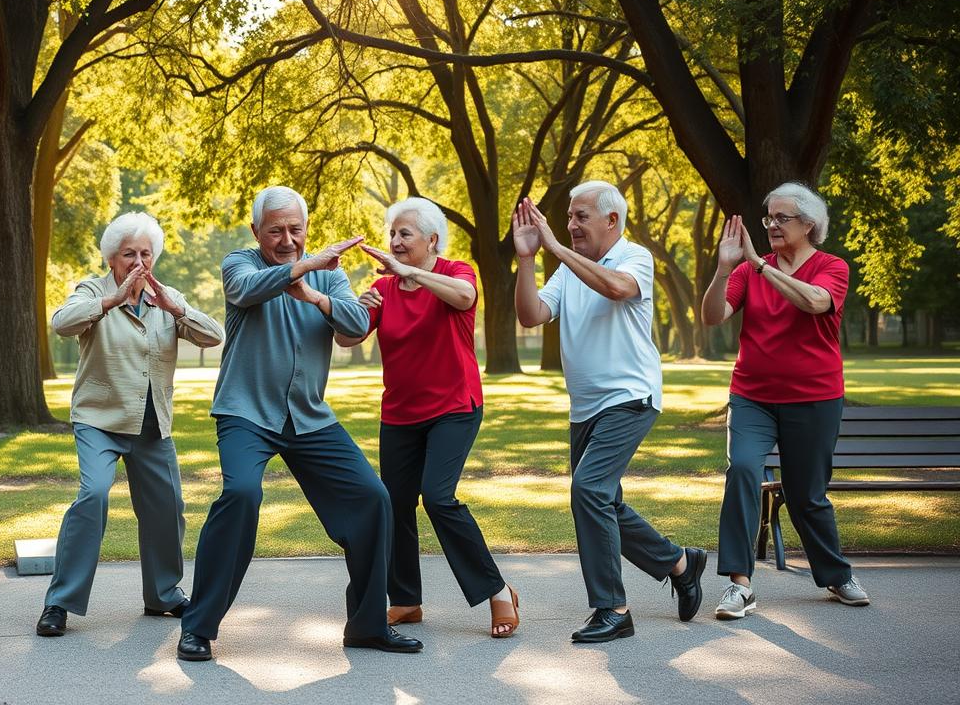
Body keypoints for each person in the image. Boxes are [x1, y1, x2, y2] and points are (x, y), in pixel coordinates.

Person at [176, 186, 422, 661]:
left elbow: (354, 325)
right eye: (276, 230)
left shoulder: (329, 276)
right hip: (246, 413)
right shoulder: (239, 263)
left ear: (306, 229)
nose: (288, 239)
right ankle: (199, 627)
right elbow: (244, 291)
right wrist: (306, 268)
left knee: (374, 499)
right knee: (242, 493)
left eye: (296, 230)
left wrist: (313, 293)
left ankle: (368, 626)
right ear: (256, 232)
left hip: (309, 417)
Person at [512, 182, 705, 643]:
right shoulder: (567, 271)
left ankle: (612, 608)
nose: (571, 225)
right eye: (569, 218)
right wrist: (525, 260)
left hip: (629, 396)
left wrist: (556, 248)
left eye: (581, 217)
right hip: (585, 407)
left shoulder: (633, 256)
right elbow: (531, 315)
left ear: (611, 221)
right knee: (603, 499)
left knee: (589, 489)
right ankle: (679, 562)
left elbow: (619, 289)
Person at [335, 197, 520, 638]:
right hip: (400, 413)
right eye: (393, 234)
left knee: (438, 498)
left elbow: (466, 297)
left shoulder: (456, 272)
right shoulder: (382, 290)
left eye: (405, 234)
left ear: (432, 240)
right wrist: (354, 307)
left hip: (454, 408)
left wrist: (410, 273)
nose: (395, 242)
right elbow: (347, 338)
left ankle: (498, 592)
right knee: (394, 505)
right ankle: (405, 601)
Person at [36, 212, 223, 636]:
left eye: (145, 253)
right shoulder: (93, 290)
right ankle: (59, 602)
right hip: (100, 419)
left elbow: (213, 336)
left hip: (152, 422)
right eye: (128, 254)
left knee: (167, 508)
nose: (138, 261)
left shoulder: (166, 296)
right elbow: (61, 323)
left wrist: (177, 309)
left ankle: (163, 595)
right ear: (111, 259)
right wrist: (111, 301)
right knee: (94, 495)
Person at [700, 182, 869, 619]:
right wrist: (725, 270)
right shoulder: (745, 272)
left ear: (809, 225)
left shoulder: (832, 266)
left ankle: (836, 575)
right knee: (742, 470)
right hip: (752, 395)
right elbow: (712, 316)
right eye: (768, 218)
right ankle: (739, 585)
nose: (772, 225)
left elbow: (814, 302)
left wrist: (760, 266)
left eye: (781, 218)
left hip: (814, 397)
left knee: (805, 493)